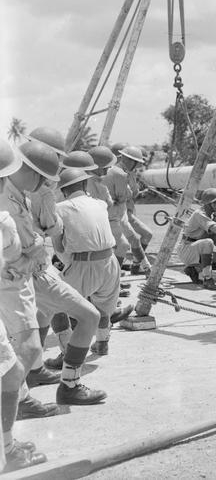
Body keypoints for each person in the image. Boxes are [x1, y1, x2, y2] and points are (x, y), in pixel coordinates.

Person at [0, 140, 62, 420]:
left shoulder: (15, 198)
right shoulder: (5, 211)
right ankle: (13, 411)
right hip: (13, 283)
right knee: (27, 349)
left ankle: (20, 400)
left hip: (21, 280)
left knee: (21, 349)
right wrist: (30, 252)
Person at [0, 139, 48, 471]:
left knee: (16, 368)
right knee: (15, 369)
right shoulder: (3, 218)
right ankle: (7, 450)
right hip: (12, 286)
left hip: (17, 281)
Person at [52, 167, 123, 381]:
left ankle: (67, 353)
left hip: (83, 263)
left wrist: (69, 265)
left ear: (63, 191)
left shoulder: (60, 209)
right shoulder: (100, 204)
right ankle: (102, 343)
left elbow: (58, 246)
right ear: (84, 185)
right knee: (103, 305)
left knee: (56, 305)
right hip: (110, 261)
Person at [178, 188, 216, 290]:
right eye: (215, 202)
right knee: (208, 243)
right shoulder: (199, 214)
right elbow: (214, 230)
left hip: (196, 249)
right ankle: (207, 280)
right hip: (187, 249)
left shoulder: (211, 217)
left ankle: (195, 270)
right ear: (208, 203)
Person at [104, 145, 150, 275]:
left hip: (120, 213)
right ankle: (114, 278)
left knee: (133, 239)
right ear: (131, 161)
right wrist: (130, 189)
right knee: (122, 245)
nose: (138, 167)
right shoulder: (120, 174)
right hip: (113, 214)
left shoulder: (122, 172)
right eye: (137, 163)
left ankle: (147, 269)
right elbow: (125, 195)